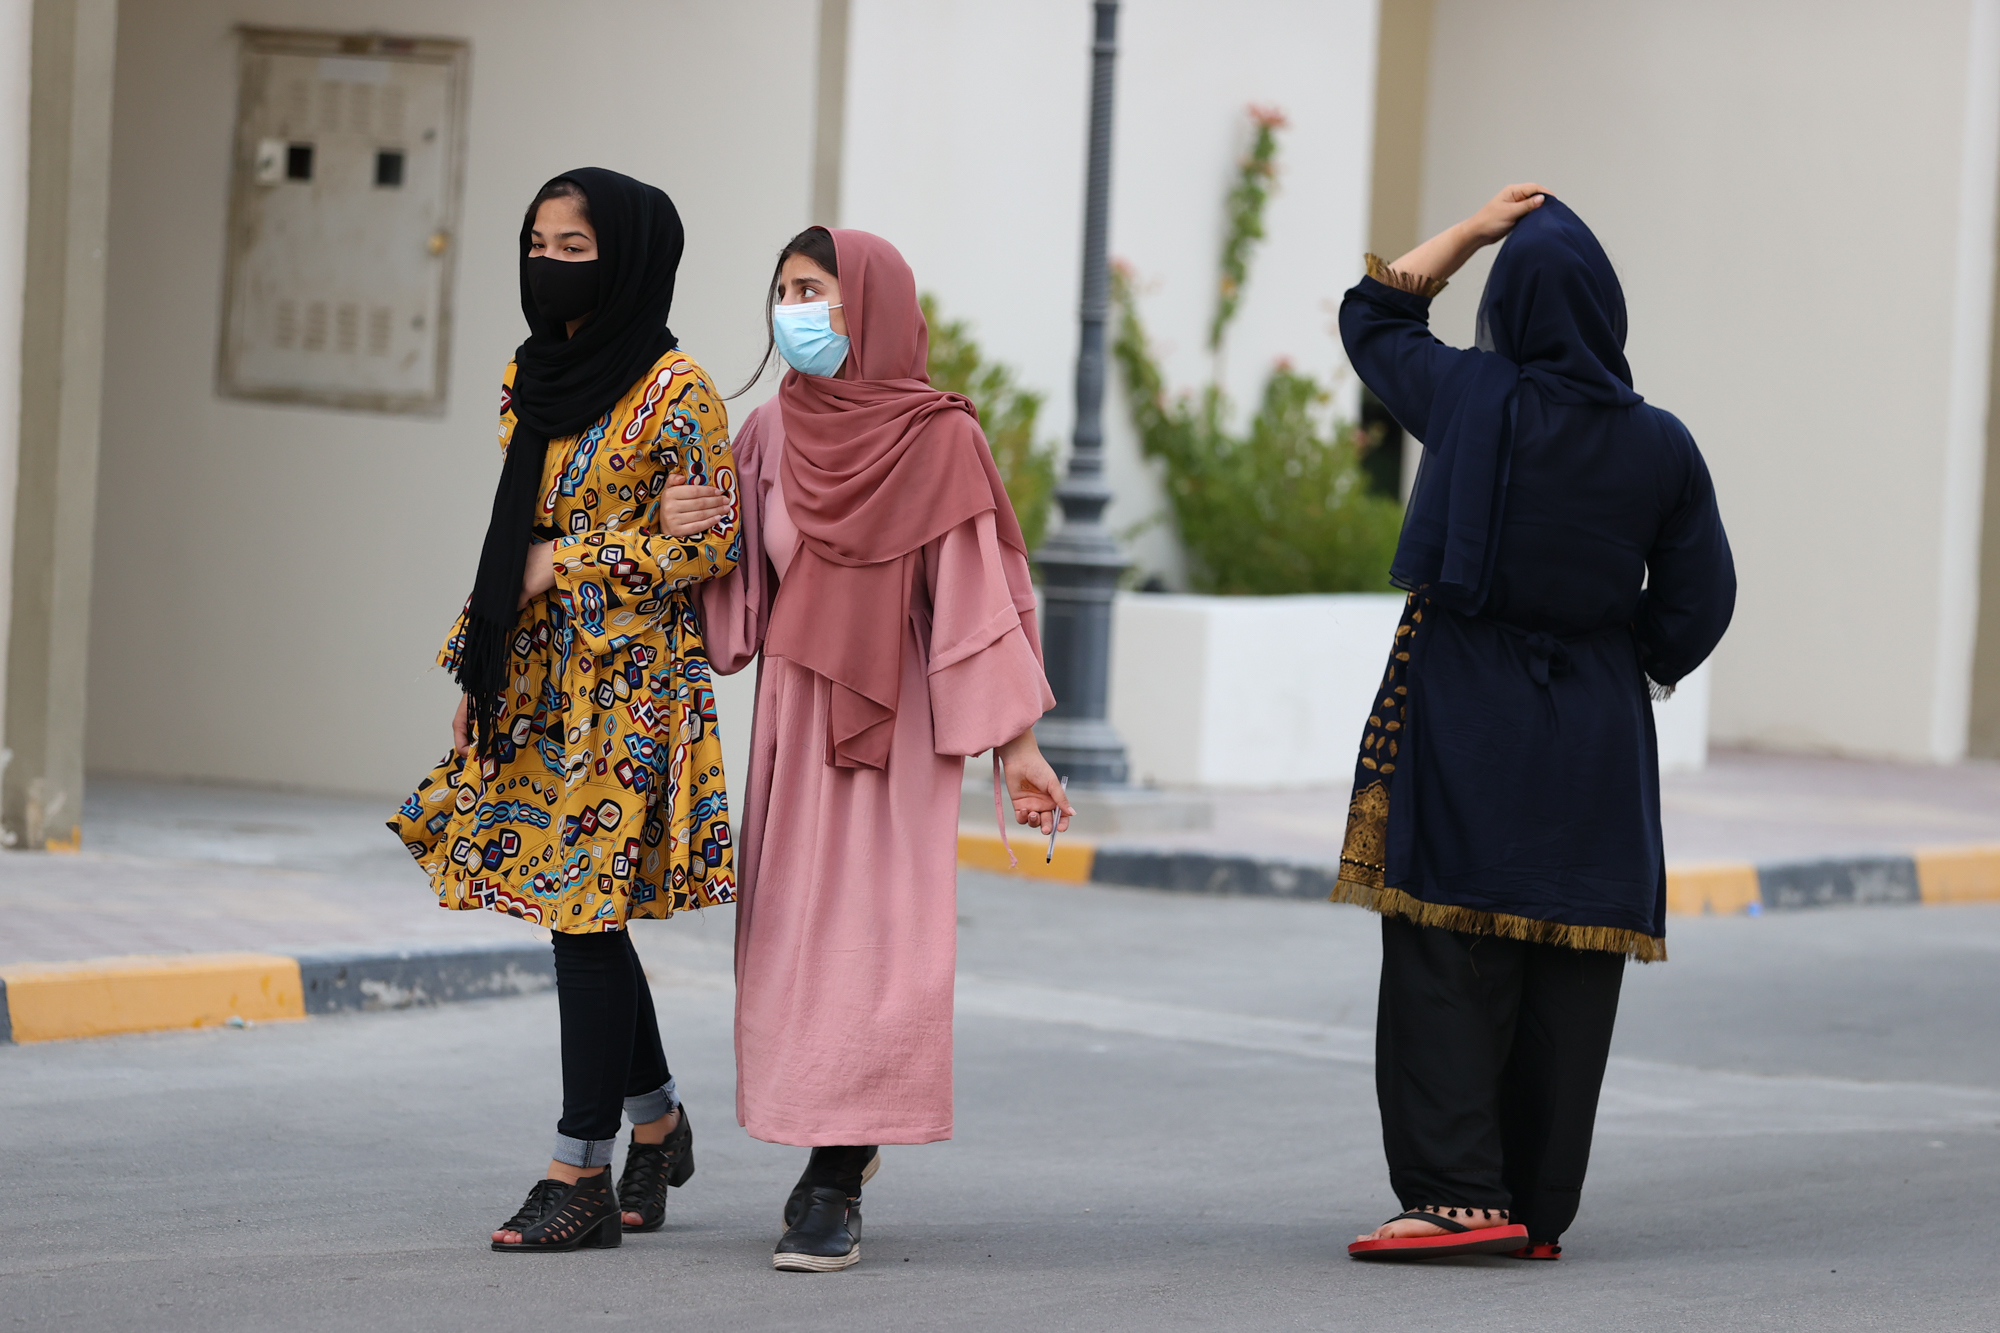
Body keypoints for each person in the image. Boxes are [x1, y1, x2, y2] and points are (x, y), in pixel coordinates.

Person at [1333, 186, 1735, 1261]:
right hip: (1595, 727)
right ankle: (1531, 1208)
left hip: (1466, 703)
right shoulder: (1660, 444)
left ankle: (1455, 1196)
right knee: (1568, 962)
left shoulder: (1472, 396)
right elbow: (1699, 602)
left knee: (1444, 943)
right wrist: (1622, 657)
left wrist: (1465, 232)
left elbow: (1370, 318)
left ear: (1506, 306)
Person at [664, 226, 1072, 1272]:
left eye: (818, 291)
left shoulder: (938, 441)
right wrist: (691, 533)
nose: (795, 309)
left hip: (900, 735)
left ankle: (834, 1174)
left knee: (878, 948)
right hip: (795, 733)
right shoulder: (765, 436)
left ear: (872, 306)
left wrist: (1015, 749)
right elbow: (736, 614)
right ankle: (827, 1136)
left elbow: (978, 604)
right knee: (798, 942)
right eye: (785, 290)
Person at [387, 168, 739, 1253]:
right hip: (537, 683)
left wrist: (569, 559)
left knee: (581, 915)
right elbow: (509, 535)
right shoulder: (530, 374)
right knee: (581, 914)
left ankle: (577, 1172)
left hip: (630, 692)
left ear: (627, 255)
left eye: (573, 247)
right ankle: (659, 1122)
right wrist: (476, 669)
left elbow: (709, 545)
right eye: (536, 242)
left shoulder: (681, 395)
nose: (547, 264)